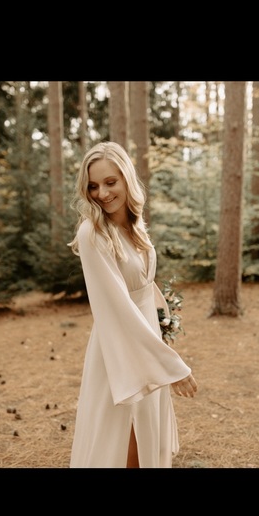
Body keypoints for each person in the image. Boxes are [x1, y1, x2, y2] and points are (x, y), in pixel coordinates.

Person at [67, 141, 198, 468]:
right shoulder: (93, 233)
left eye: (110, 182)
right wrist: (171, 365)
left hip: (146, 339)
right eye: (93, 186)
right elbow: (117, 308)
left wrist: (162, 320)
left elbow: (142, 285)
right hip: (120, 349)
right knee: (121, 443)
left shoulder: (134, 225)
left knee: (146, 440)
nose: (102, 193)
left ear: (127, 178)